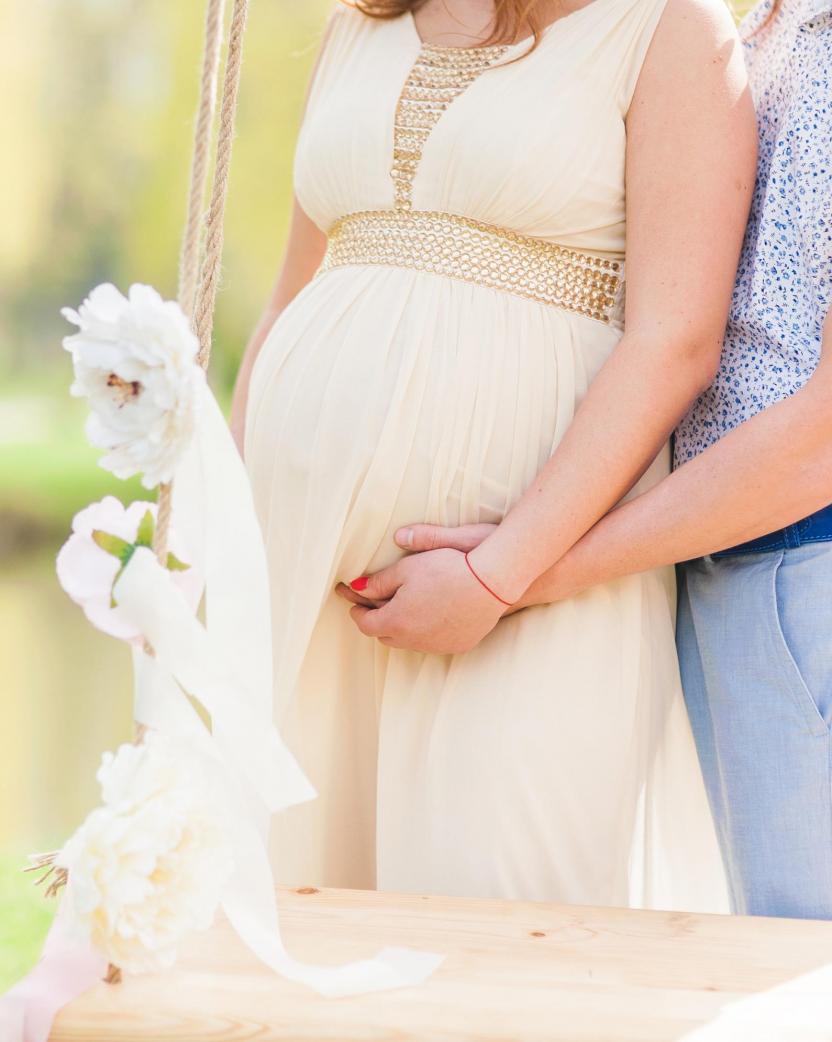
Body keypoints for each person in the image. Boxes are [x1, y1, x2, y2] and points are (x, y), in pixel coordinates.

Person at [231, 0, 756, 908]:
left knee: (499, 929)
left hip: (528, 589)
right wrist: (225, 537)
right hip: (304, 582)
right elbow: (290, 296)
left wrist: (498, 576)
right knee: (298, 914)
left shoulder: (671, 28)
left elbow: (675, 340)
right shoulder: (360, 24)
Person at [362, 0, 832, 919]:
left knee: (806, 950)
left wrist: (513, 575)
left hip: (799, 570)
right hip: (727, 571)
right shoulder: (773, 29)